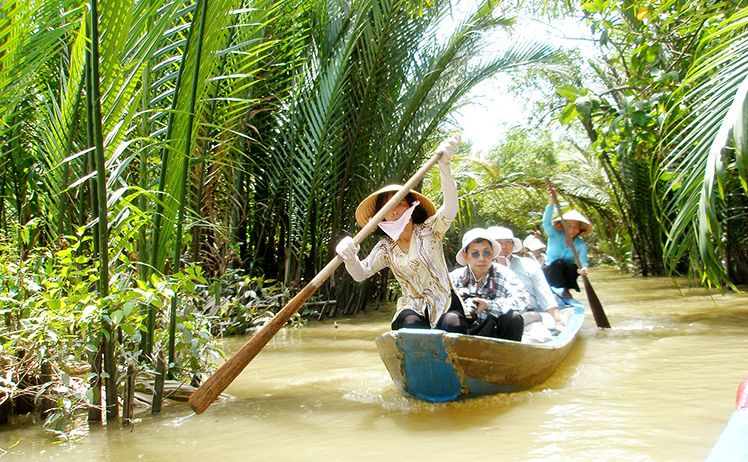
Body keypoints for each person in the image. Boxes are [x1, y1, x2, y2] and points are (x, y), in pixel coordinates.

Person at [335, 136, 468, 333]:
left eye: (400, 203)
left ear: (411, 207)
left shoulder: (429, 231)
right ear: (382, 216)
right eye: (388, 207)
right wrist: (349, 257)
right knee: (412, 326)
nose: (395, 209)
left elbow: (450, 208)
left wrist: (444, 166)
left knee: (451, 325)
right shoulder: (386, 248)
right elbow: (360, 273)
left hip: (444, 301)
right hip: (412, 307)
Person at [449, 228, 528, 341]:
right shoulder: (455, 277)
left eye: (486, 253)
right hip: (464, 331)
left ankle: (509, 356)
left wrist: (488, 305)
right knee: (450, 318)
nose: (482, 259)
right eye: (475, 254)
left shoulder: (504, 274)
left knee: (513, 318)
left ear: (492, 255)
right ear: (466, 256)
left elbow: (522, 300)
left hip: (494, 329)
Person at [487, 226, 564, 328]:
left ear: (513, 245)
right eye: (499, 242)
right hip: (498, 316)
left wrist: (558, 321)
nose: (504, 246)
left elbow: (545, 294)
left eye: (508, 242)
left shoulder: (528, 264)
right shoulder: (484, 268)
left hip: (527, 315)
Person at [542, 186, 592, 299]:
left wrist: (584, 269)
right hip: (549, 271)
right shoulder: (554, 234)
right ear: (563, 226)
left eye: (575, 227)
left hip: (565, 276)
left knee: (572, 267)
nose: (573, 229)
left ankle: (565, 290)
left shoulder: (581, 244)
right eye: (569, 226)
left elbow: (583, 262)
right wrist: (551, 203)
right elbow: (546, 223)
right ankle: (553, 289)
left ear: (580, 229)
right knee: (559, 263)